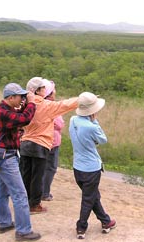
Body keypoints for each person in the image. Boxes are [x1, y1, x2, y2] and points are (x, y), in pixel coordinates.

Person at [19, 77, 78, 214]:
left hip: (25, 143)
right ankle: (34, 205)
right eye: (43, 88)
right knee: (37, 176)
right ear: (38, 91)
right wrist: (82, 99)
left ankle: (25, 202)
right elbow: (65, 104)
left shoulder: (24, 105)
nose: (46, 90)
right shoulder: (46, 105)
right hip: (40, 144)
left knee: (26, 175)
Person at [0, 83, 41, 241]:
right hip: (7, 158)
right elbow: (25, 118)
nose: (22, 99)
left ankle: (4, 222)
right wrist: (32, 102)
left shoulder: (5, 109)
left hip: (3, 155)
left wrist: (26, 103)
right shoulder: (3, 112)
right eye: (20, 96)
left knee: (2, 191)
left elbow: (19, 114)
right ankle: (23, 231)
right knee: (20, 194)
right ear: (10, 97)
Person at [69, 92, 116, 239]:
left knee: (93, 195)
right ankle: (81, 227)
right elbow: (103, 140)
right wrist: (95, 121)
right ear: (92, 110)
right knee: (89, 198)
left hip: (77, 167)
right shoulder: (91, 127)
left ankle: (106, 221)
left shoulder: (73, 120)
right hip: (91, 169)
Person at [41, 80, 65, 201]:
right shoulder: (51, 106)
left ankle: (39, 191)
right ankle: (44, 193)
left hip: (40, 140)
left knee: (40, 167)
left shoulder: (37, 103)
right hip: (51, 142)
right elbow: (59, 124)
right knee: (50, 167)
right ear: (49, 93)